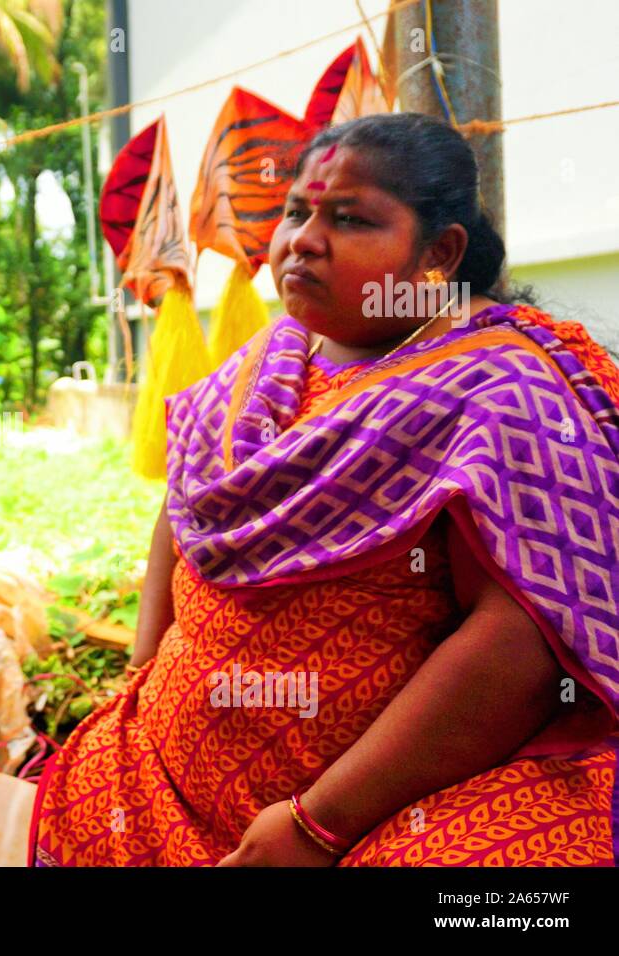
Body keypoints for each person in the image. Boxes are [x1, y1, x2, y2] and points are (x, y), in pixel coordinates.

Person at [31, 112, 619, 866]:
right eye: (295, 212)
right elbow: (180, 511)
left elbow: (522, 645)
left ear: (439, 254)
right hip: (160, 783)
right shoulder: (271, 361)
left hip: (382, 816)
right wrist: (138, 690)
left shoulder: (503, 391)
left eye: (349, 219)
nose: (302, 239)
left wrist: (319, 825)